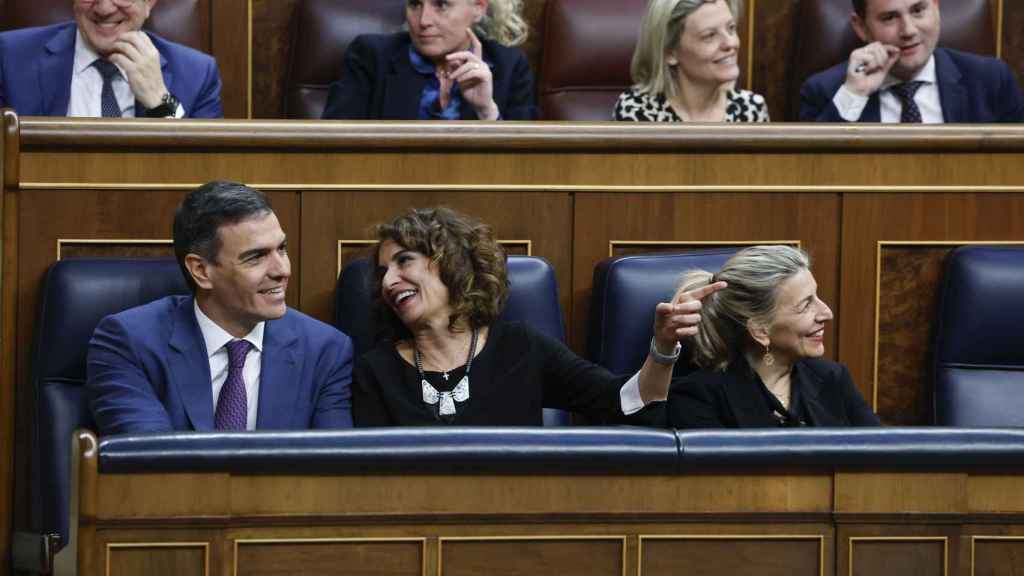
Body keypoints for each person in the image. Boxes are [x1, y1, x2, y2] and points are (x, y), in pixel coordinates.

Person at [353, 207, 725, 426]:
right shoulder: (375, 370)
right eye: (383, 271)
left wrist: (663, 346)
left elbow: (626, 402)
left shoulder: (521, 348)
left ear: (451, 263)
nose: (388, 281)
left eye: (404, 262)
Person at [87, 181, 353, 434]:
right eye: (256, 257)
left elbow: (331, 473)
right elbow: (152, 465)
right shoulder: (129, 343)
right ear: (201, 271)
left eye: (281, 249)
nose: (282, 270)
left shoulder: (325, 351)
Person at [667, 245, 880, 428]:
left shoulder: (832, 378)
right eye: (806, 305)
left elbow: (886, 455)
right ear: (760, 331)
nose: (827, 313)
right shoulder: (699, 397)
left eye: (817, 296)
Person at [799, 0, 1024, 123]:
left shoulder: (992, 80)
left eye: (918, 10)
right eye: (889, 18)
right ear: (861, 27)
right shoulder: (824, 92)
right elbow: (813, 179)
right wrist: (854, 95)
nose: (908, 31)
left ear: (936, 7)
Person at [0, 0, 223, 118]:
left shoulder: (198, 74)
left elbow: (205, 184)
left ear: (149, 3)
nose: (104, 8)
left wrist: (161, 101)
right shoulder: (10, 57)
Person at [321, 0, 537, 120]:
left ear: (478, 8)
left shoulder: (511, 67)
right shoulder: (371, 57)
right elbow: (333, 149)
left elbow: (526, 167)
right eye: (415, 4)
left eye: (441, 5)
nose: (423, 21)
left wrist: (487, 111)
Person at [614, 0, 768, 122]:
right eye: (710, 36)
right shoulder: (637, 111)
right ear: (670, 53)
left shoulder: (751, 108)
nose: (731, 43)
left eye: (731, 28)